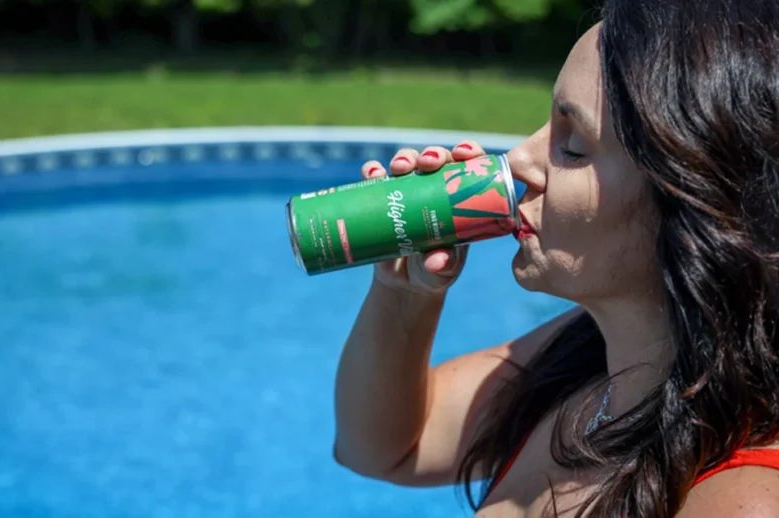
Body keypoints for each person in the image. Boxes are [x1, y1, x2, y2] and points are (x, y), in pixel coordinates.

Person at [331, 1, 779, 516]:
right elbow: (381, 448)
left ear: (693, 200)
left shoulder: (737, 500)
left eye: (574, 146)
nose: (520, 160)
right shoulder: (589, 360)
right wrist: (403, 293)